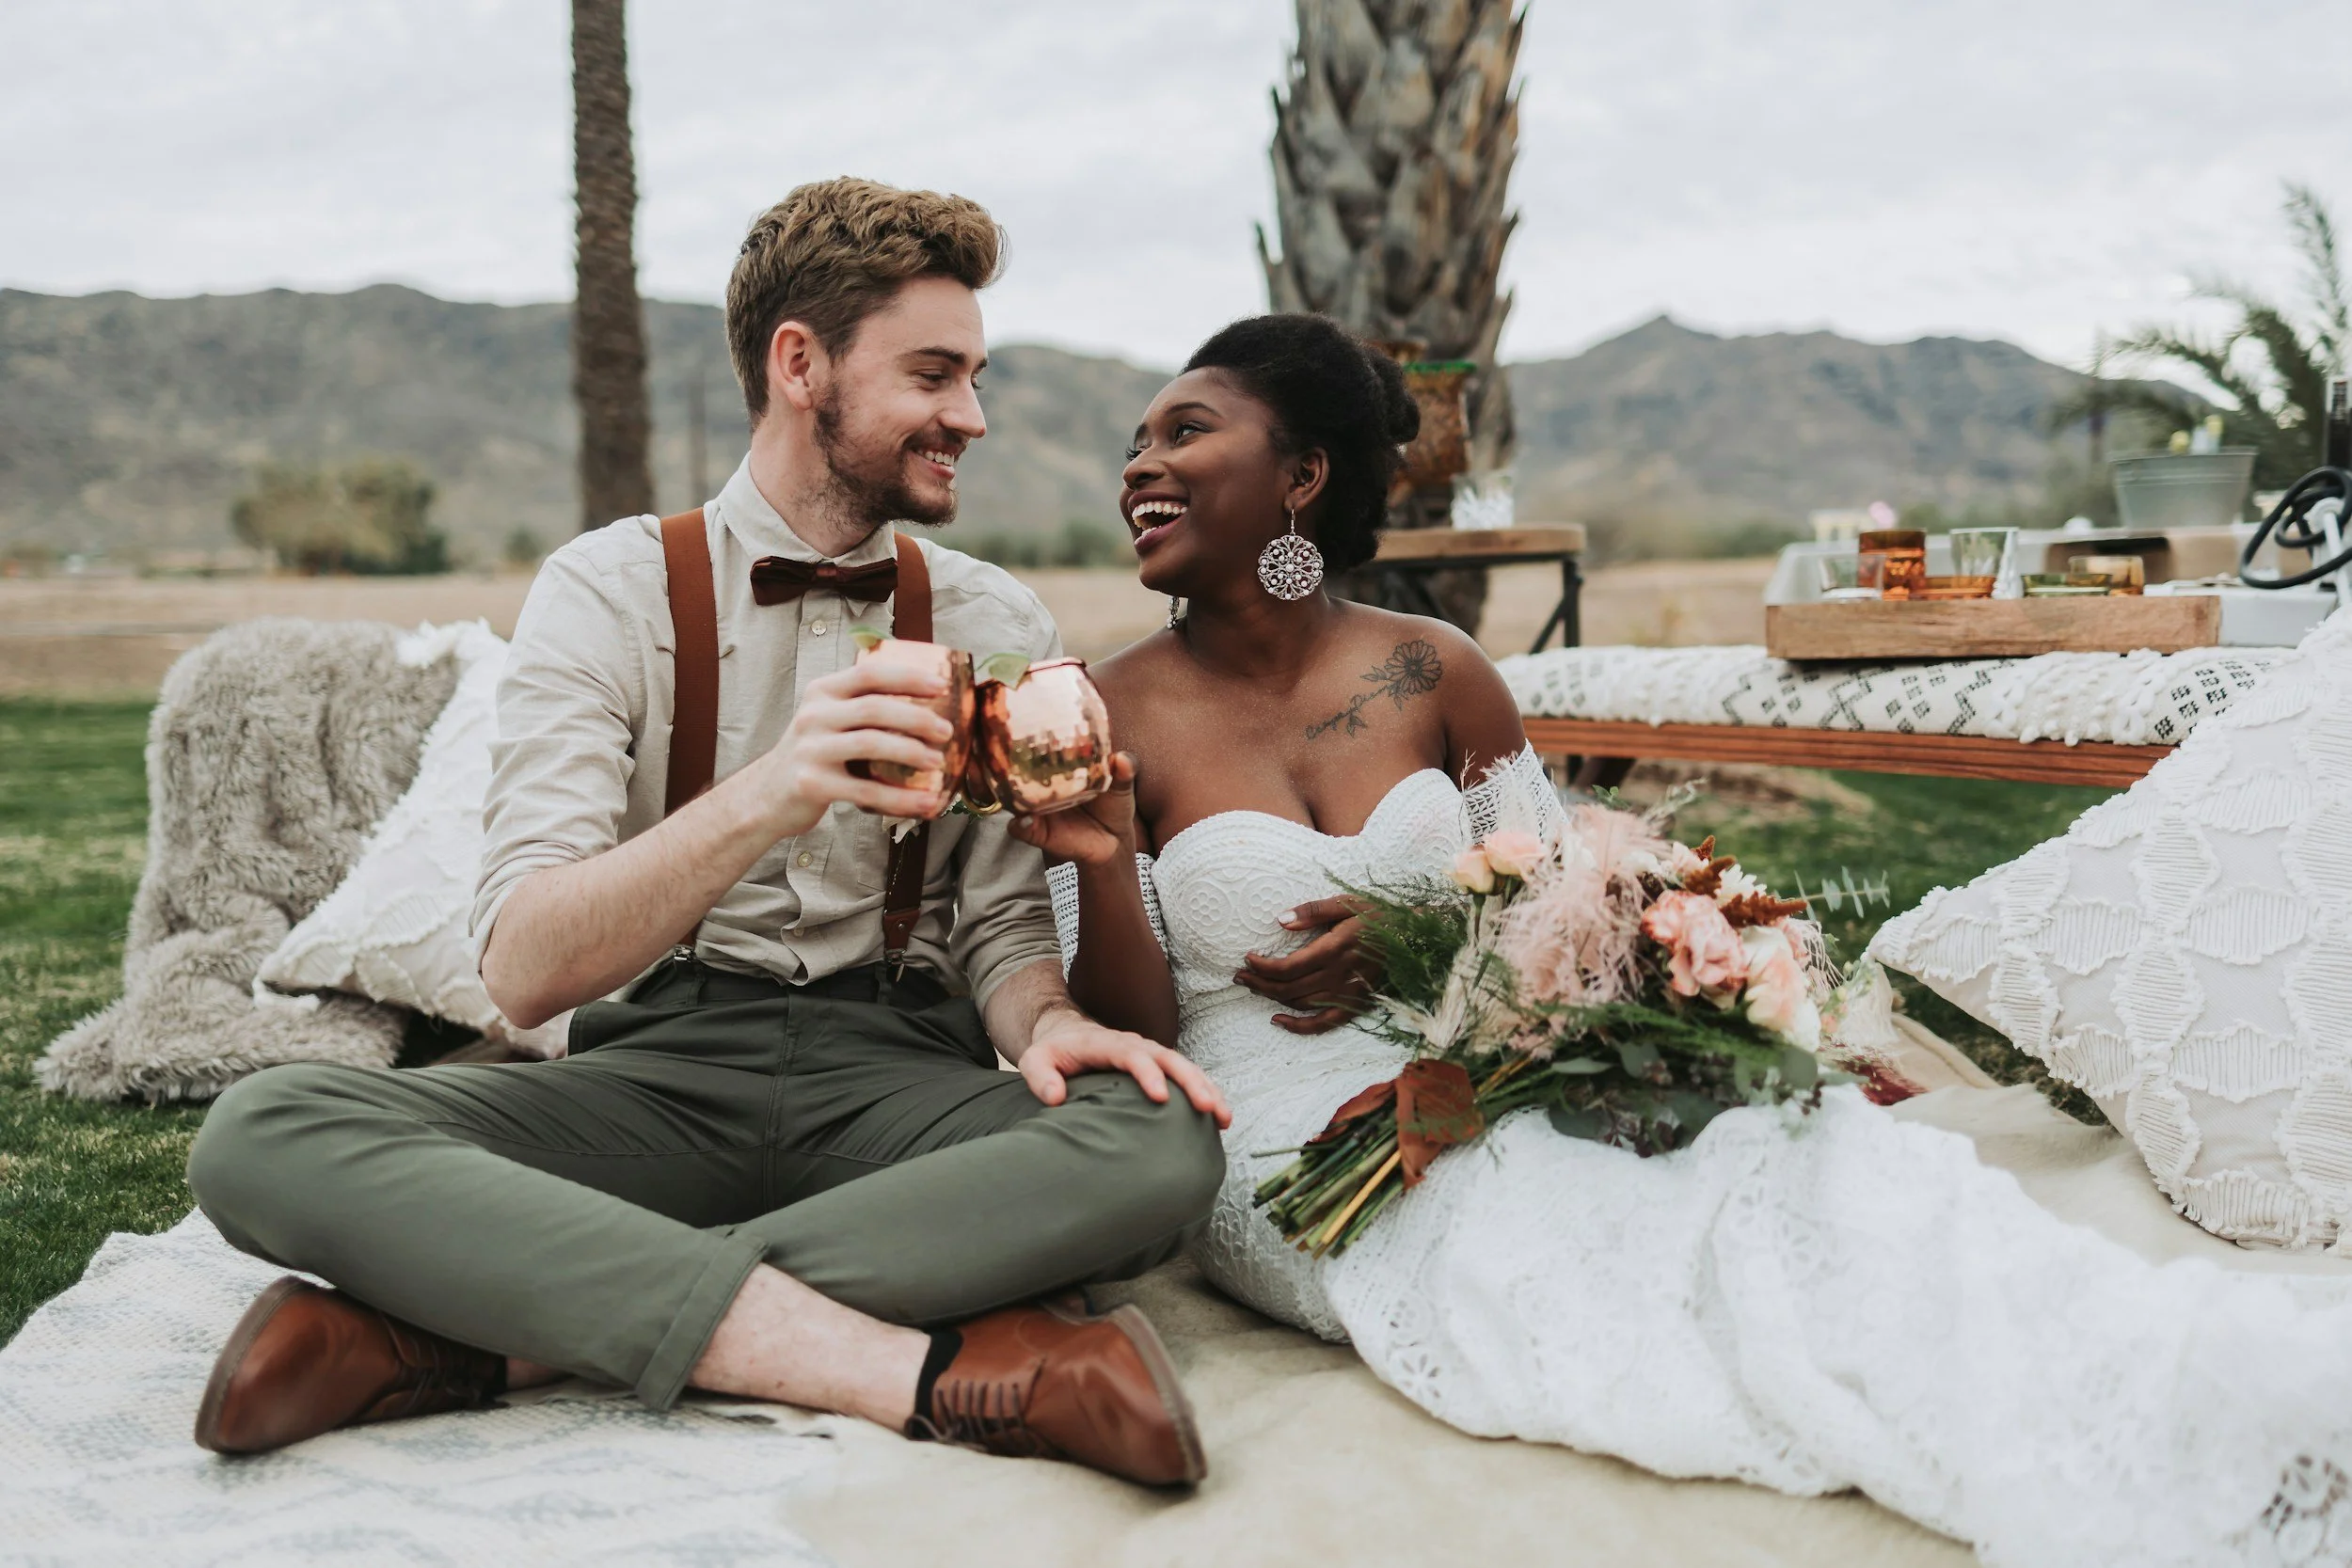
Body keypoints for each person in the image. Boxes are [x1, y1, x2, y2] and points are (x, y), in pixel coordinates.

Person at [1043, 311, 2352, 1564]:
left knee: (1774, 1158)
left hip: (1490, 1054)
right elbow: (1132, 1031)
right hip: (1281, 1133)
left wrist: (1415, 933)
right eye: (1133, 447)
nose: (1140, 464)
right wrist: (1100, 846)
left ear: (1302, 475)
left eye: (1184, 430)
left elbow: (1556, 904)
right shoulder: (1099, 710)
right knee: (1577, 1244)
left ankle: (2194, 1391)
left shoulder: (1435, 670)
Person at [181, 179, 1229, 1490]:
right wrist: (777, 787)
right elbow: (522, 966)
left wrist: (1043, 1023)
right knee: (264, 1133)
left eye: (975, 376)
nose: (972, 414)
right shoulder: (603, 589)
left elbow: (1008, 926)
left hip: (891, 1084)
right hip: (650, 1079)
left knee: (1158, 1140)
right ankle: (915, 1367)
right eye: (935, 373)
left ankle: (483, 1336)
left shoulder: (988, 605)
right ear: (803, 365)